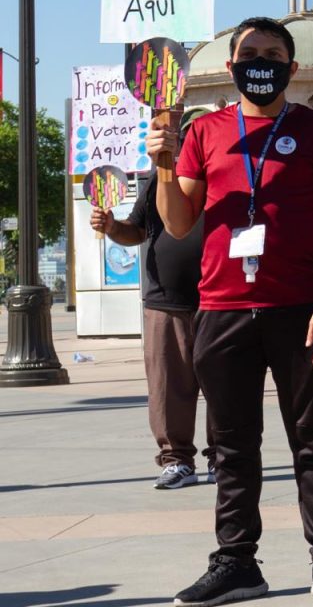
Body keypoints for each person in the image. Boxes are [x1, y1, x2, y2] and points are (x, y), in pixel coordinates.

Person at [149, 17, 313, 607]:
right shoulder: (204, 132)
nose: (259, 61)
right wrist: (164, 164)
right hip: (221, 308)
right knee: (231, 446)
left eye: (272, 53)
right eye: (249, 52)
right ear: (232, 65)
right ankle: (237, 562)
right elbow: (178, 221)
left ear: (292, 69)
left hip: (299, 309)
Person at [92, 107, 214, 490]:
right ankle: (177, 460)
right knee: (167, 388)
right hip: (166, 299)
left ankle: (223, 458)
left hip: (221, 299)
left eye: (192, 134)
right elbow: (137, 231)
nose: (184, 141)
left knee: (226, 386)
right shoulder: (159, 180)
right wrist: (112, 227)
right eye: (181, 134)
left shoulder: (229, 177)